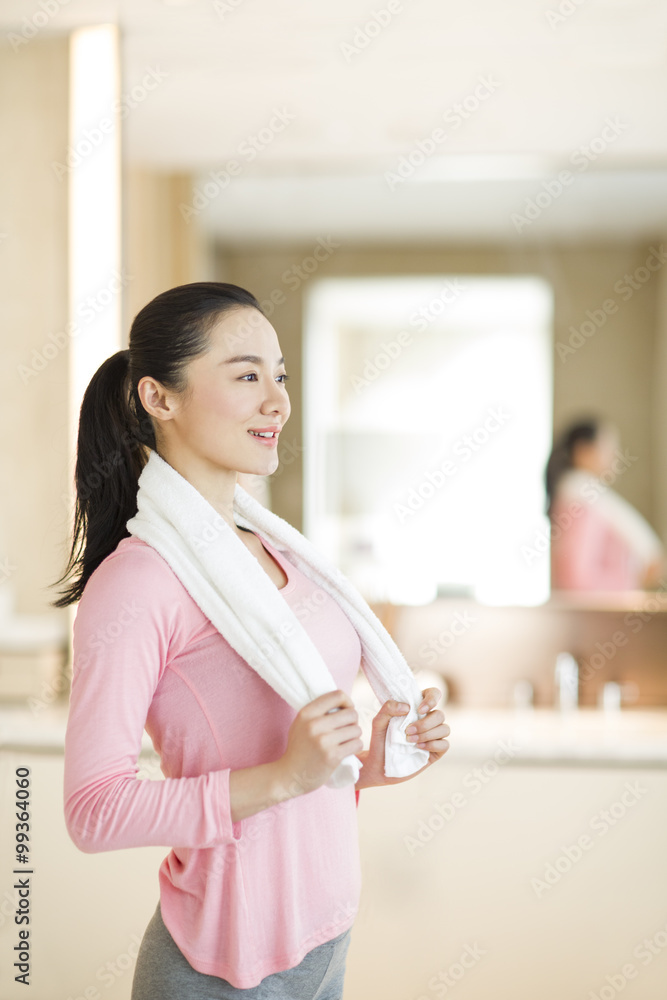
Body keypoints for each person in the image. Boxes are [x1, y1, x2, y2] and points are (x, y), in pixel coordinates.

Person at [52, 282, 449, 999]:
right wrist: (285, 776)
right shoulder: (139, 582)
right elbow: (94, 809)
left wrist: (384, 752)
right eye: (246, 375)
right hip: (220, 967)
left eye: (280, 376)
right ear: (159, 398)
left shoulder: (284, 554)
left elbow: (306, 767)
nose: (277, 401)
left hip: (324, 940)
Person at [545, 416, 664, 592]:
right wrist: (632, 581)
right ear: (583, 451)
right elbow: (576, 579)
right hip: (600, 613)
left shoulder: (582, 496)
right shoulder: (579, 501)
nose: (615, 455)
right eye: (608, 447)